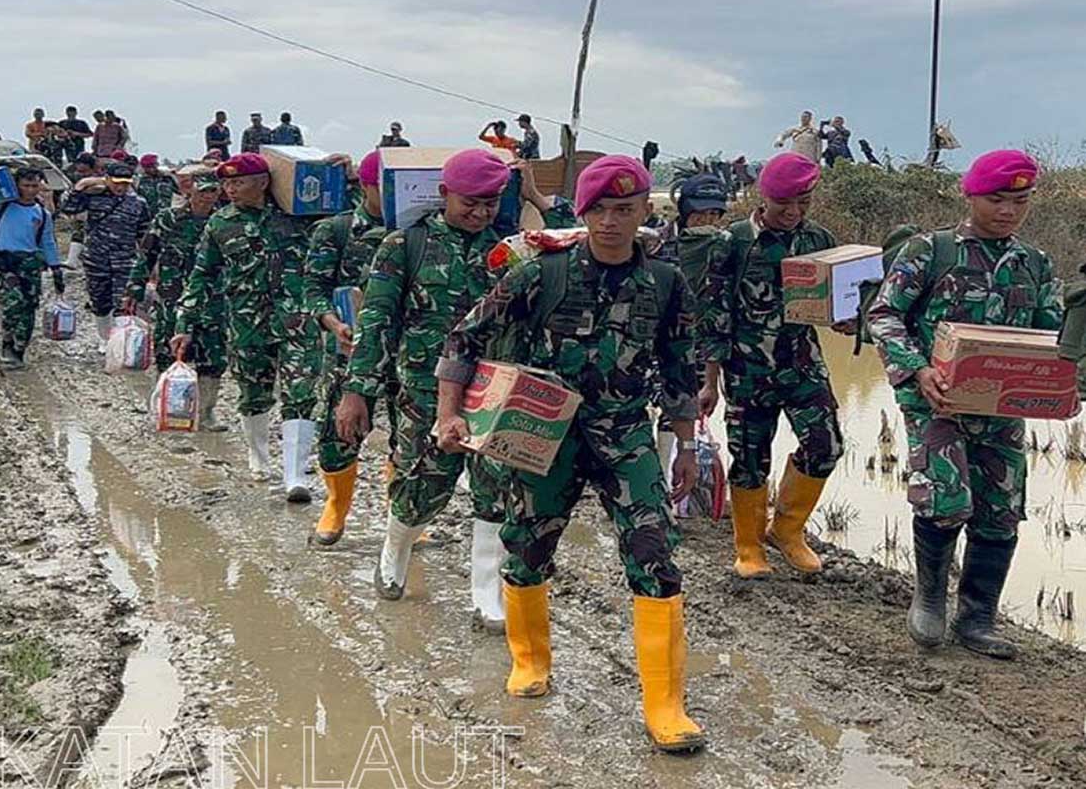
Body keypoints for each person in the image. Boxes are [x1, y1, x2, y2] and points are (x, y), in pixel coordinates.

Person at [435, 155, 705, 753]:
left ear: (644, 214)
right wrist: (449, 413)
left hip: (626, 437)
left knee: (655, 554)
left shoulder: (664, 282)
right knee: (527, 548)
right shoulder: (542, 272)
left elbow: (681, 367)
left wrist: (686, 444)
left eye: (625, 210)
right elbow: (465, 336)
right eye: (600, 210)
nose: (612, 222)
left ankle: (666, 705)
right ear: (582, 213)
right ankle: (530, 661)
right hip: (544, 438)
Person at [335, 150, 564, 620]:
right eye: (470, 203)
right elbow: (375, 320)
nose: (481, 214)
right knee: (423, 484)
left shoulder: (512, 251)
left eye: (491, 203)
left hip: (494, 392)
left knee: (495, 490)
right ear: (444, 195)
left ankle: (486, 594)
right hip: (423, 392)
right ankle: (395, 551)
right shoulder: (405, 245)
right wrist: (357, 390)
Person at [868, 150, 1060, 660]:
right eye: (997, 199)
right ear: (970, 195)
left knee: (1000, 512)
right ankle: (930, 598)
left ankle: (977, 618)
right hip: (937, 401)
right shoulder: (930, 251)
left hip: (1001, 408)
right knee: (945, 499)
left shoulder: (1034, 263)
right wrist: (917, 369)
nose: (1008, 211)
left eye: (1019, 201)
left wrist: (1065, 383)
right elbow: (884, 314)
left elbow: (1052, 333)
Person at [695, 152, 844, 578]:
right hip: (746, 370)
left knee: (826, 445)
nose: (794, 214)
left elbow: (832, 306)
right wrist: (709, 381)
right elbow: (714, 315)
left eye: (804, 203)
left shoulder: (817, 240)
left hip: (803, 365)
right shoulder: (732, 243)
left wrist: (849, 315)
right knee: (749, 457)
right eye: (785, 205)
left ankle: (788, 531)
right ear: (765, 197)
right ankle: (749, 545)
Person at [170, 154, 321, 501]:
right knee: (254, 392)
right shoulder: (221, 224)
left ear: (263, 182)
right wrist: (185, 322)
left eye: (238, 182)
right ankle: (259, 456)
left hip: (298, 318)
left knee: (301, 392)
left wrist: (347, 174)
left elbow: (350, 210)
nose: (230, 189)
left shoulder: (297, 215)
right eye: (226, 183)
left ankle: (295, 475)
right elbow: (201, 274)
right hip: (245, 321)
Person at [307, 151, 395, 546]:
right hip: (350, 348)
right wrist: (332, 322)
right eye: (384, 188)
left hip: (407, 350)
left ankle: (405, 514)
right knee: (339, 431)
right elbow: (312, 290)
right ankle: (336, 506)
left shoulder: (420, 231)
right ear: (365, 185)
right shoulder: (337, 230)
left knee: (411, 435)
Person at [124, 171, 229, 430]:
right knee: (167, 351)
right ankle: (166, 408)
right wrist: (135, 288)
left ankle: (205, 414)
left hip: (212, 299)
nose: (207, 197)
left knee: (213, 356)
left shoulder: (224, 220)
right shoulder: (168, 219)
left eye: (212, 191)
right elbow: (147, 255)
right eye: (202, 191)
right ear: (188, 192)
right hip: (172, 296)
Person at [0, 165, 65, 369]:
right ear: (16, 186)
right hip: (5, 262)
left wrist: (56, 268)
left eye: (35, 185)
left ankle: (19, 349)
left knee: (29, 307)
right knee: (12, 304)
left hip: (30, 262)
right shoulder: (2, 205)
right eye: (26, 185)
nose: (31, 190)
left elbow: (48, 241)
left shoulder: (41, 213)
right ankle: (8, 345)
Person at [60, 161, 152, 349]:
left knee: (123, 302)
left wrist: (148, 262)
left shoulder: (138, 203)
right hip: (96, 259)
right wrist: (80, 186)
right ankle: (105, 339)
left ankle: (120, 343)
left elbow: (144, 234)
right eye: (117, 182)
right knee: (100, 301)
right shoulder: (93, 197)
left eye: (125, 183)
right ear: (107, 179)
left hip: (124, 260)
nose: (121, 187)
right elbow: (67, 208)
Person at [135, 154, 177, 218]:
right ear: (144, 168)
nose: (152, 169)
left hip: (166, 216)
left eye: (154, 165)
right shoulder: (139, 181)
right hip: (147, 218)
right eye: (148, 167)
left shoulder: (167, 179)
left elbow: (182, 193)